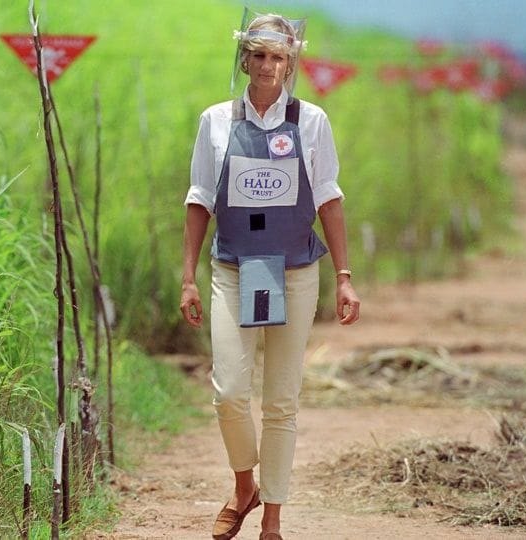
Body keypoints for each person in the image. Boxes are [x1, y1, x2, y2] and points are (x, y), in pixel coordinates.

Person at [179, 12, 360, 540]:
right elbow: (199, 199)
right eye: (257, 55)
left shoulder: (312, 122)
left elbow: (329, 199)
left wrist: (344, 276)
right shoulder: (215, 120)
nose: (266, 66)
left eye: (277, 56)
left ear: (290, 62)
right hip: (233, 269)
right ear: (244, 59)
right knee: (230, 390)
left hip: (295, 271)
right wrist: (188, 276)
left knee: (282, 399)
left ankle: (273, 520)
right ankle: (244, 486)